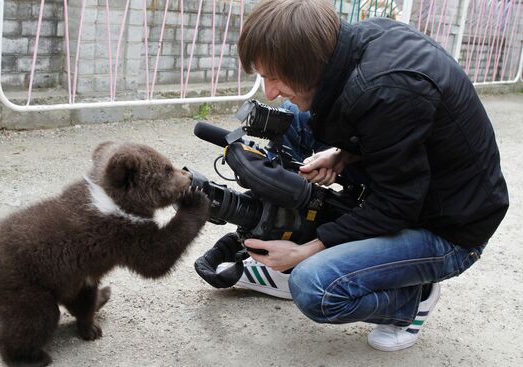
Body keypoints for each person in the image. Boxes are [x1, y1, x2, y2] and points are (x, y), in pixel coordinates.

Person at [213, 0, 509, 352]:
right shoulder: (353, 50)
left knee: (313, 287)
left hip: (450, 229)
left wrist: (308, 251)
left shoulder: (385, 91)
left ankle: (410, 300)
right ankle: (284, 234)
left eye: (273, 77)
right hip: (417, 181)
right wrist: (344, 152)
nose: (269, 91)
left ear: (309, 64)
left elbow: (398, 204)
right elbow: (406, 135)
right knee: (289, 118)